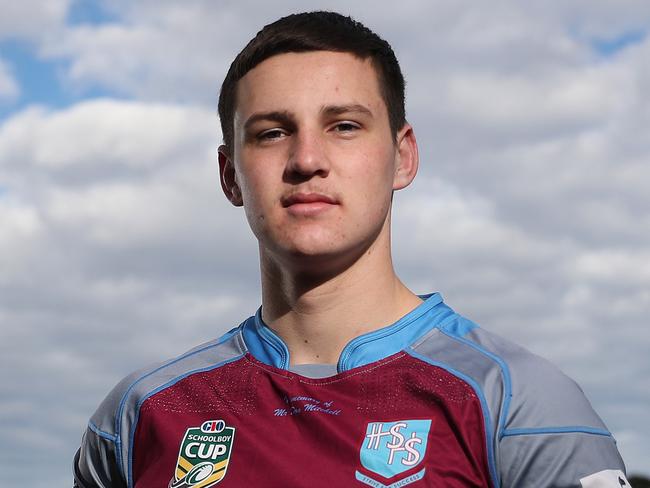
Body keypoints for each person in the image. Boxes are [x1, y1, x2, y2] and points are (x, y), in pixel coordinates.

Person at [73, 11, 630, 488]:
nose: (306, 158)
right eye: (271, 132)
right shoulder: (140, 416)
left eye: (343, 125)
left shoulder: (520, 404)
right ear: (230, 174)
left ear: (402, 157)